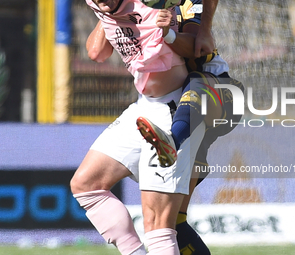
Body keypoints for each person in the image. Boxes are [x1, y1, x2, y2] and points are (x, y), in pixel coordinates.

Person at [70, 1, 208, 255]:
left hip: (176, 111)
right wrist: (110, 15)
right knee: (86, 185)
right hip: (143, 107)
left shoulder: (155, 5)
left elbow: (199, 47)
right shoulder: (103, 6)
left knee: (158, 227)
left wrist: (191, 29)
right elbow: (96, 53)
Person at [136, 1, 244, 254]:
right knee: (174, 224)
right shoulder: (132, 12)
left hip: (221, 93)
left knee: (196, 81)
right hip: (186, 116)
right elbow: (97, 51)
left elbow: (200, 47)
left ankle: (172, 141)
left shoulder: (187, 6)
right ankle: (175, 142)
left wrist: (167, 33)